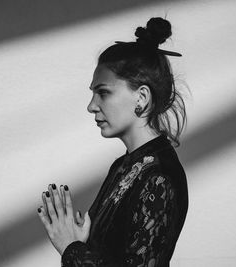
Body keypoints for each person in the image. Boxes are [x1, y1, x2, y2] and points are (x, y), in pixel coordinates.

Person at [38, 17, 188, 267]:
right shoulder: (124, 164)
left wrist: (71, 249)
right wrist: (86, 242)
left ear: (141, 97)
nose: (91, 106)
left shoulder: (159, 177)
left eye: (103, 93)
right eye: (92, 93)